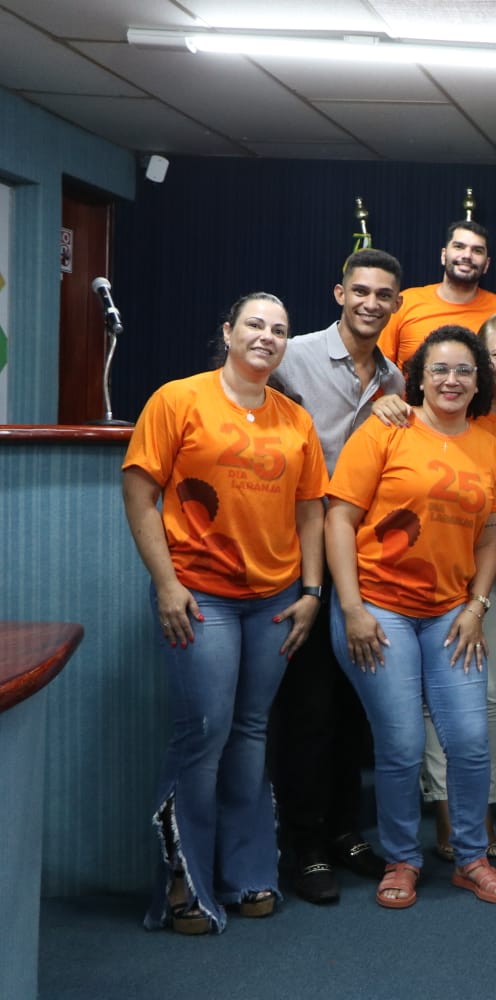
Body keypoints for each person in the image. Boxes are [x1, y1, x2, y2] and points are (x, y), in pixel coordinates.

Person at [125, 293, 328, 934]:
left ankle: (249, 876)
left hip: (275, 599)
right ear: (229, 332)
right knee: (204, 734)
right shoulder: (178, 399)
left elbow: (311, 510)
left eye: (279, 329)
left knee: (250, 733)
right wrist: (165, 584)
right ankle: (185, 879)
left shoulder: (295, 420)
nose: (266, 336)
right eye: (255, 325)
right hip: (200, 594)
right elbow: (139, 489)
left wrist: (312, 593)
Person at [326, 325, 496, 909]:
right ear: (419, 377)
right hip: (378, 608)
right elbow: (338, 518)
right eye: (440, 370)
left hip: (450, 615)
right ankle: (402, 859)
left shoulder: (490, 441)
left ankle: (470, 858)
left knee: (468, 739)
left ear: (478, 379)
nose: (452, 380)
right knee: (403, 744)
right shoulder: (388, 428)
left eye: (463, 370)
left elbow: (491, 535)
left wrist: (476, 606)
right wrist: (352, 608)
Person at [371, 311, 496, 862]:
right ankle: (448, 820)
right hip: (413, 577)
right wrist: (386, 402)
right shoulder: (423, 415)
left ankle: (478, 817)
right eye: (495, 356)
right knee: (427, 710)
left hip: (483, 575)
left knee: (486, 699)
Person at [270, 249, 405, 905]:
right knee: (309, 706)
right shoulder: (290, 355)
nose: (371, 303)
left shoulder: (396, 379)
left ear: (395, 304)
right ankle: (304, 845)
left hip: (360, 556)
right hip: (297, 553)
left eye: (384, 295)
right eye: (361, 291)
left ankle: (347, 831)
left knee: (356, 706)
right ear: (339, 294)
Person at [378, 220, 496, 366]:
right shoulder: (405, 303)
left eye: (477, 250)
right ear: (443, 255)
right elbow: (379, 370)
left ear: (486, 264)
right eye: (459, 247)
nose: (467, 255)